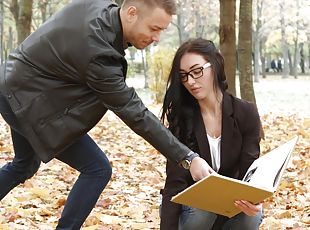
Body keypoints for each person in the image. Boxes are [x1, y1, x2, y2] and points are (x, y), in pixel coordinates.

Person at [0, 1, 213, 229]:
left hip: (13, 85)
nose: (157, 38)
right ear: (132, 13)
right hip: (26, 100)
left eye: (162, 30)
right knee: (98, 168)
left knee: (24, 165)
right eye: (154, 29)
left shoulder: (101, 9)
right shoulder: (98, 53)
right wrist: (188, 157)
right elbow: (135, 113)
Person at [160, 38, 263, 230]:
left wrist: (254, 199)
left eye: (197, 71)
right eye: (183, 76)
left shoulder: (246, 113)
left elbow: (250, 171)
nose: (190, 81)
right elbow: (174, 183)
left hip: (232, 207)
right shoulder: (181, 119)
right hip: (192, 212)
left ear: (215, 65)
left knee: (251, 214)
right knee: (203, 209)